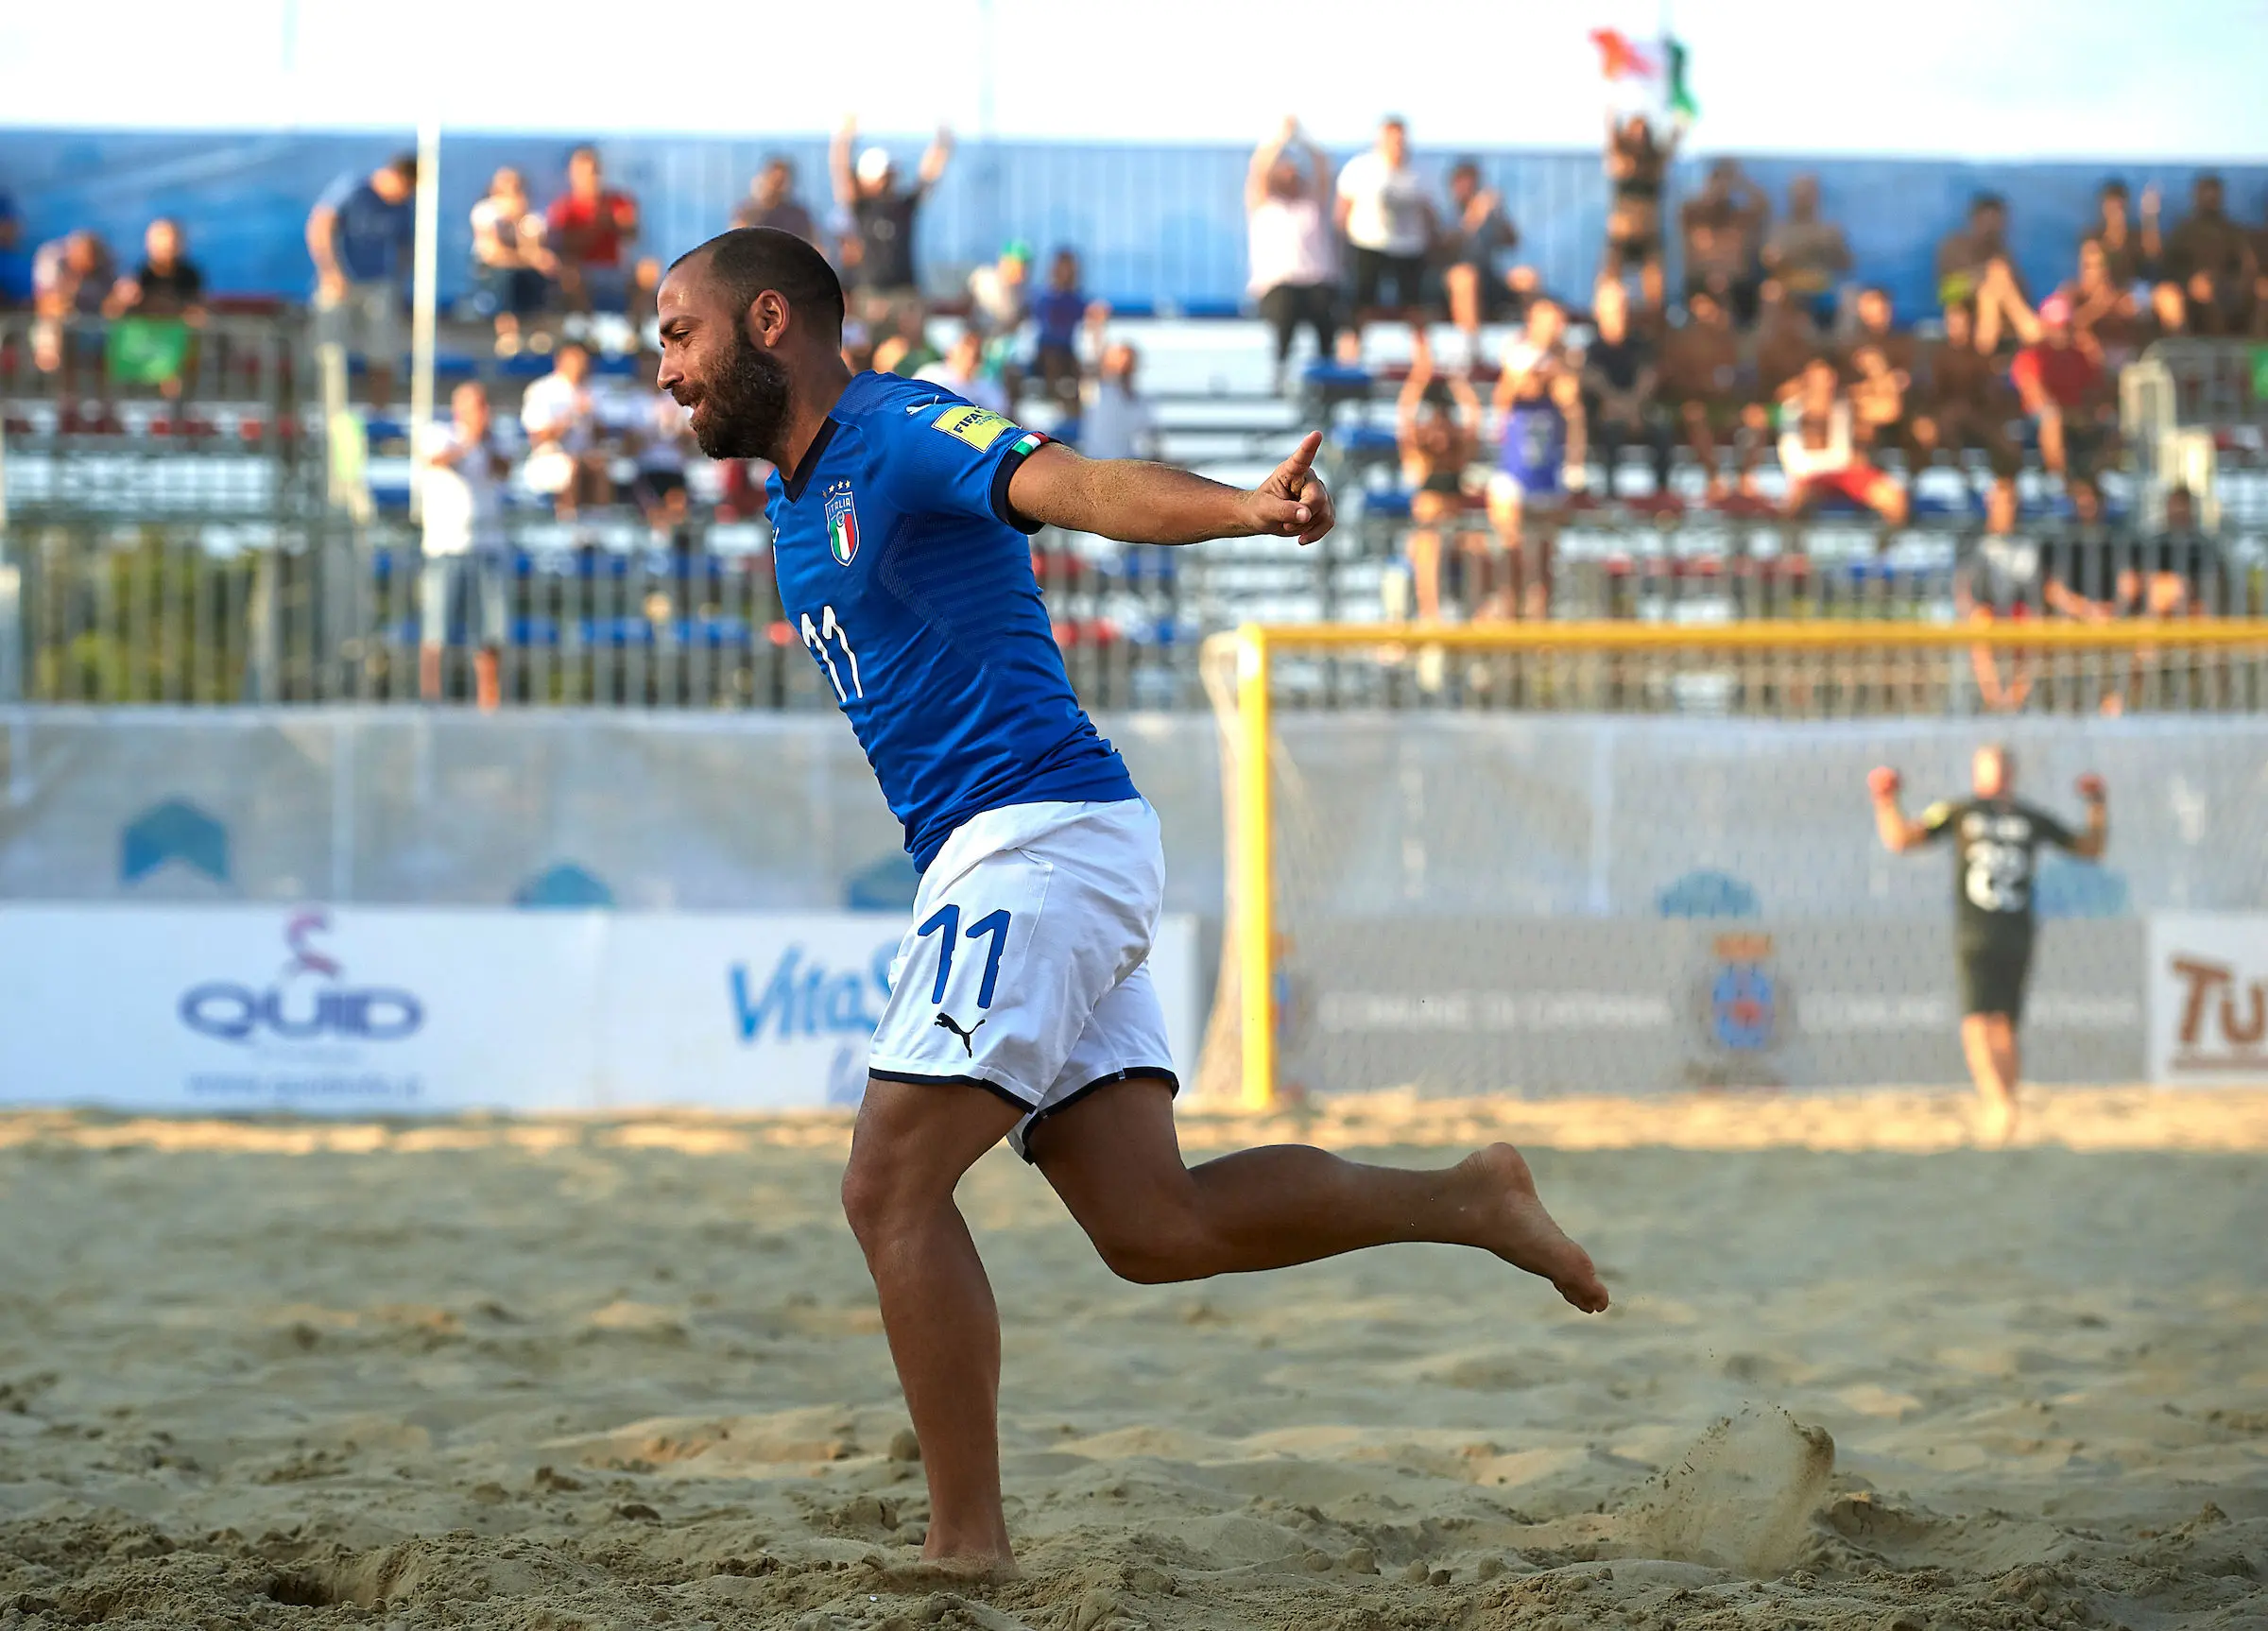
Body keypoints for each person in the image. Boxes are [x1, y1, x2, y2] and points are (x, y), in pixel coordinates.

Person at [653, 226, 1607, 1578]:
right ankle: (1467, 1198)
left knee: (888, 1188)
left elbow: (1084, 483)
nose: (664, 374)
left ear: (766, 322)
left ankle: (964, 1543)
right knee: (1155, 1229)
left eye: (677, 337)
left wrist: (1249, 509)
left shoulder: (899, 424)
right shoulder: (790, 499)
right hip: (1021, 852)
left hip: (1036, 841)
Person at [1868, 747, 2107, 1145]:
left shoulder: (1960, 811)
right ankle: (2005, 1106)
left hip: (1979, 933)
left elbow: (1899, 838)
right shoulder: (2026, 816)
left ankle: (1998, 1103)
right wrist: (2097, 803)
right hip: (2016, 932)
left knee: (1979, 1023)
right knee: (2002, 1024)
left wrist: (1884, 799)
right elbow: (2091, 847)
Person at [418, 381, 513, 711]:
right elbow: (438, 460)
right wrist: (471, 440)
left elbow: (504, 470)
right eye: (477, 405)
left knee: (489, 635)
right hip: (445, 548)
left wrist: (483, 442)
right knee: (435, 633)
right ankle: (430, 704)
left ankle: (489, 706)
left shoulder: (496, 442)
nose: (483, 413)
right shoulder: (439, 433)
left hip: (488, 547)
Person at [1488, 298, 1585, 620]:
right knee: (1512, 551)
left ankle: (1539, 627)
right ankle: (1509, 618)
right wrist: (1544, 371)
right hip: (1515, 469)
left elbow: (1569, 399)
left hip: (1546, 470)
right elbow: (1511, 393)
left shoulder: (1566, 359)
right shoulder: (1517, 352)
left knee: (1544, 561)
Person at [307, 153, 416, 411]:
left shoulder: (404, 206)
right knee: (330, 350)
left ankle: (380, 413)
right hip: (339, 281)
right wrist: (330, 271)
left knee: (383, 351)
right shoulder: (352, 189)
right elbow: (320, 225)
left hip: (380, 284)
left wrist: (398, 280)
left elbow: (406, 247)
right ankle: (330, 411)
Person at [1245, 119, 1338, 393]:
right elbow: (1258, 170)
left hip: (1316, 283)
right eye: (1285, 170)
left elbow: (1322, 168)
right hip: (1279, 286)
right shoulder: (1264, 206)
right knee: (1284, 308)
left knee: (1326, 311)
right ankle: (1281, 370)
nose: (1292, 176)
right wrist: (1280, 137)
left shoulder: (1312, 206)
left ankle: (1327, 377)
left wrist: (1303, 138)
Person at [1396, 334, 1482, 620]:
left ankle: (1479, 622)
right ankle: (1431, 616)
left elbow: (1473, 419)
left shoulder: (1457, 458)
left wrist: (1459, 384)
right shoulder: (1421, 458)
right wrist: (1419, 378)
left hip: (1455, 529)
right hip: (1429, 528)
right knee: (1428, 549)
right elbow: (1405, 418)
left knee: (1481, 548)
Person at [832, 117, 953, 318]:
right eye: (884, 175)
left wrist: (942, 144)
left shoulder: (904, 206)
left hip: (905, 294)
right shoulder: (861, 207)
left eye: (890, 174)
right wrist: (844, 139)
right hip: (870, 297)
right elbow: (841, 173)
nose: (889, 180)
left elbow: (928, 177)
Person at [1334, 117, 1434, 343]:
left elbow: (1429, 215)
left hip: (1409, 249)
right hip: (1368, 245)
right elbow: (1342, 210)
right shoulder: (1360, 168)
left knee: (1414, 308)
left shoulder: (1418, 173)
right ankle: (1350, 360)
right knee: (1360, 307)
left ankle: (1422, 365)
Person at [1776, 355, 1907, 525]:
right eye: (1817, 379)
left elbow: (1890, 411)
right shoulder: (1791, 407)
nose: (1823, 385)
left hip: (1847, 472)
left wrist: (1878, 371)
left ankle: (1884, 546)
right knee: (1792, 506)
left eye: (1827, 379)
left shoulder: (1849, 403)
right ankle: (1794, 550)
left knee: (1894, 499)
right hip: (1810, 476)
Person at [1581, 277, 1669, 499]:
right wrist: (1622, 408)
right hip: (1605, 413)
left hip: (1636, 409)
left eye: (1622, 306)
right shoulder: (1591, 348)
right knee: (1610, 428)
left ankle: (1661, 491)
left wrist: (1632, 407)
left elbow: (1647, 377)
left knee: (1662, 428)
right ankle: (1610, 491)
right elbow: (1595, 383)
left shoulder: (1640, 343)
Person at [2010, 293, 2111, 484]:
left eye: (2066, 327)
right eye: (2057, 327)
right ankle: (2060, 481)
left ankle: (2095, 481)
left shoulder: (2080, 356)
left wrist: (2091, 413)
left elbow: (2095, 392)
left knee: (2111, 423)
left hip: (2075, 416)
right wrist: (2071, 414)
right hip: (2037, 422)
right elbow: (2037, 399)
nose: (2062, 333)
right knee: (2052, 418)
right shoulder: (2031, 356)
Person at [101, 217, 206, 398]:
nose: (169, 247)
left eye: (174, 240)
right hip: (142, 348)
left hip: (172, 348)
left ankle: (175, 413)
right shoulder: (140, 274)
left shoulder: (190, 275)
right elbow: (110, 311)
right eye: (163, 240)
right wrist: (121, 299)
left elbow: (198, 311)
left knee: (177, 378)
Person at [1437, 159, 1520, 373]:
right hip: (1451, 287)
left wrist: (1500, 214)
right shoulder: (1446, 215)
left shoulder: (1489, 215)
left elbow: (1512, 241)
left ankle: (1532, 348)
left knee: (1526, 278)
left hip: (1488, 280)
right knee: (1466, 277)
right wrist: (1474, 217)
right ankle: (1472, 351)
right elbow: (1446, 248)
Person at [546, 146, 641, 318]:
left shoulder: (618, 201)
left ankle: (637, 328)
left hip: (614, 269)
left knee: (647, 273)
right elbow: (562, 246)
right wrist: (598, 226)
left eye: (594, 172)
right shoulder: (563, 208)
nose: (590, 178)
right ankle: (586, 325)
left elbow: (633, 236)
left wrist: (623, 223)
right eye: (584, 173)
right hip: (583, 271)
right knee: (570, 277)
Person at [470, 167, 554, 354]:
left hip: (522, 267)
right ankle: (508, 334)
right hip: (492, 269)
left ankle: (539, 331)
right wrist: (529, 258)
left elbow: (534, 248)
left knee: (540, 276)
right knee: (505, 277)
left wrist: (519, 221)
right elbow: (493, 252)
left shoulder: (533, 217)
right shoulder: (485, 212)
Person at [520, 342, 610, 516]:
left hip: (586, 456)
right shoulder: (542, 390)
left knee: (600, 465)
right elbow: (539, 437)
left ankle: (600, 522)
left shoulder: (593, 391)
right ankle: (568, 519)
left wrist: (594, 419)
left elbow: (602, 437)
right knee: (571, 466)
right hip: (549, 456)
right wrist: (571, 416)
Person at [1606, 113, 1680, 308]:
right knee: (1609, 286)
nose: (1640, 138)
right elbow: (1610, 125)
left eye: (1644, 133)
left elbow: (1675, 137)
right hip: (1621, 236)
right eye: (1636, 132)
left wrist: (1681, 112)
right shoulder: (1620, 161)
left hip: (1649, 235)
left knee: (1655, 292)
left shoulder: (1655, 165)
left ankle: (1655, 328)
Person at [1761, 175, 1851, 330]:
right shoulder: (1779, 229)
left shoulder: (1829, 230)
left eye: (1808, 194)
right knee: (1770, 290)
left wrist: (1830, 249)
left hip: (1821, 289)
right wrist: (1795, 252)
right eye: (1800, 194)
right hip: (1788, 289)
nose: (1803, 199)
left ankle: (1839, 345)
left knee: (1849, 295)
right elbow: (1768, 262)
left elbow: (1846, 265)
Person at [1078, 341, 1158, 462]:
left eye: (1127, 364)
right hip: (1095, 464)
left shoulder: (1141, 401)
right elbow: (1090, 370)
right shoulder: (1096, 391)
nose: (1122, 368)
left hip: (1128, 466)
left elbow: (1150, 439)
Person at [916, 327, 1011, 416]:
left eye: (975, 355)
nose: (969, 358)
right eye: (964, 351)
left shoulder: (987, 385)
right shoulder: (930, 375)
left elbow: (1002, 414)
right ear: (951, 352)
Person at [733, 156, 821, 249]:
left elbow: (815, 244)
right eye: (774, 181)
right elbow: (735, 241)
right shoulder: (748, 211)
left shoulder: (798, 215)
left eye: (781, 182)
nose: (776, 188)